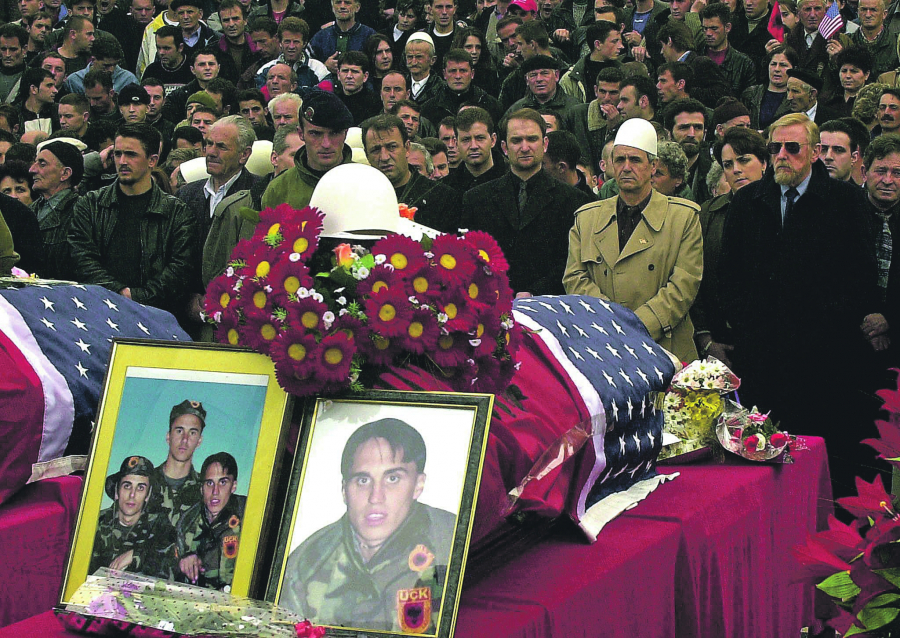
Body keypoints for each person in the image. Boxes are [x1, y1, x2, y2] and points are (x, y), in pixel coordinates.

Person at [720, 113, 879, 496]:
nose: (782, 156)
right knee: (765, 461)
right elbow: (730, 274)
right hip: (763, 356)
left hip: (824, 357)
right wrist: (747, 327)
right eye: (775, 148)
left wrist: (828, 322)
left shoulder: (846, 202)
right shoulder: (747, 202)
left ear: (814, 152)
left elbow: (861, 274)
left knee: (821, 458)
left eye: (793, 148)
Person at [280, 418, 456, 632]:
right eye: (363, 480)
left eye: (392, 478)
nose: (376, 497)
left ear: (418, 485)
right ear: (344, 490)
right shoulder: (304, 564)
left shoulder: (453, 541)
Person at [563, 117, 704, 362]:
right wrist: (612, 324)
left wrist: (636, 327)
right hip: (602, 345)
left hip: (664, 348)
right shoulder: (587, 219)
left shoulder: (683, 218)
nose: (626, 167)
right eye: (620, 160)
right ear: (609, 164)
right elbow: (575, 278)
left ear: (653, 166)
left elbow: (683, 286)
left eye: (635, 159)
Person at [68, 123, 198, 324]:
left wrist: (136, 297)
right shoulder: (90, 204)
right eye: (117, 154)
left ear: (152, 160)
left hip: (156, 318)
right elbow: (81, 257)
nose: (122, 161)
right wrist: (117, 293)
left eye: (131, 154)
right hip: (98, 313)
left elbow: (179, 270)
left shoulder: (176, 212)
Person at [462, 108, 593, 295]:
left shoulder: (573, 201)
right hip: (490, 303)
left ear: (545, 143)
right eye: (516, 140)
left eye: (532, 139)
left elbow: (571, 262)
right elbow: (469, 258)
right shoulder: (476, 199)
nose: (525, 147)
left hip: (549, 308)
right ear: (504, 147)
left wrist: (534, 292)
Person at [691, 127, 769, 366]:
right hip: (717, 338)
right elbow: (694, 278)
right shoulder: (707, 213)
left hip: (768, 342)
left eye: (744, 160)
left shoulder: (781, 210)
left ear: (764, 163)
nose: (735, 169)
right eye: (727, 164)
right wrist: (705, 338)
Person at [362, 113, 460, 232]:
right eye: (375, 150)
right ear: (366, 154)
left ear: (407, 148)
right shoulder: (359, 200)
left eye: (392, 147)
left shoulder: (443, 198)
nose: (384, 156)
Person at [262, 89, 355, 210]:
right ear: (301, 134)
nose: (326, 144)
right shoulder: (279, 189)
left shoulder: (368, 182)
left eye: (335, 133)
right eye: (315, 134)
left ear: (345, 133)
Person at [89, 455, 176, 578]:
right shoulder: (96, 522)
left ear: (148, 495)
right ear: (117, 491)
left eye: (140, 488)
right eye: (127, 486)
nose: (132, 495)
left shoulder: (159, 525)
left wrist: (136, 554)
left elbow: (169, 559)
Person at [176, 452, 246, 590]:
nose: (215, 491)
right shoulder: (187, 522)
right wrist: (182, 561)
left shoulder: (248, 514)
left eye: (223, 482)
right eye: (209, 483)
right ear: (202, 488)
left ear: (234, 486)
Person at [30, 140, 82, 280]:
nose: (32, 169)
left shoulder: (81, 212)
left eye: (42, 164)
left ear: (65, 173)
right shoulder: (29, 211)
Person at [421, 48, 502, 125]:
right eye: (453, 71)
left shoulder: (491, 106)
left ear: (472, 73)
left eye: (463, 71)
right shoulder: (429, 110)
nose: (458, 76)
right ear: (444, 74)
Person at [443, 106, 507, 192]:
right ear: (456, 143)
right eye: (466, 140)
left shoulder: (514, 183)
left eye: (480, 138)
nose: (473, 146)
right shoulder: (445, 189)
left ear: (493, 140)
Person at [308, 0, 376, 74]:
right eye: (338, 2)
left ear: (357, 7)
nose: (342, 6)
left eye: (347, 3)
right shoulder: (321, 36)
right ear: (332, 7)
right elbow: (306, 64)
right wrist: (324, 67)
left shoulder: (369, 35)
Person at [742, 44, 796, 130]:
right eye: (773, 64)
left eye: (783, 65)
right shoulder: (751, 93)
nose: (777, 69)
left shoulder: (796, 98)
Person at [335, 51, 383, 125]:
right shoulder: (333, 102)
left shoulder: (376, 104)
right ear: (338, 74)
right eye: (345, 71)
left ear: (365, 76)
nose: (349, 76)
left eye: (354, 71)